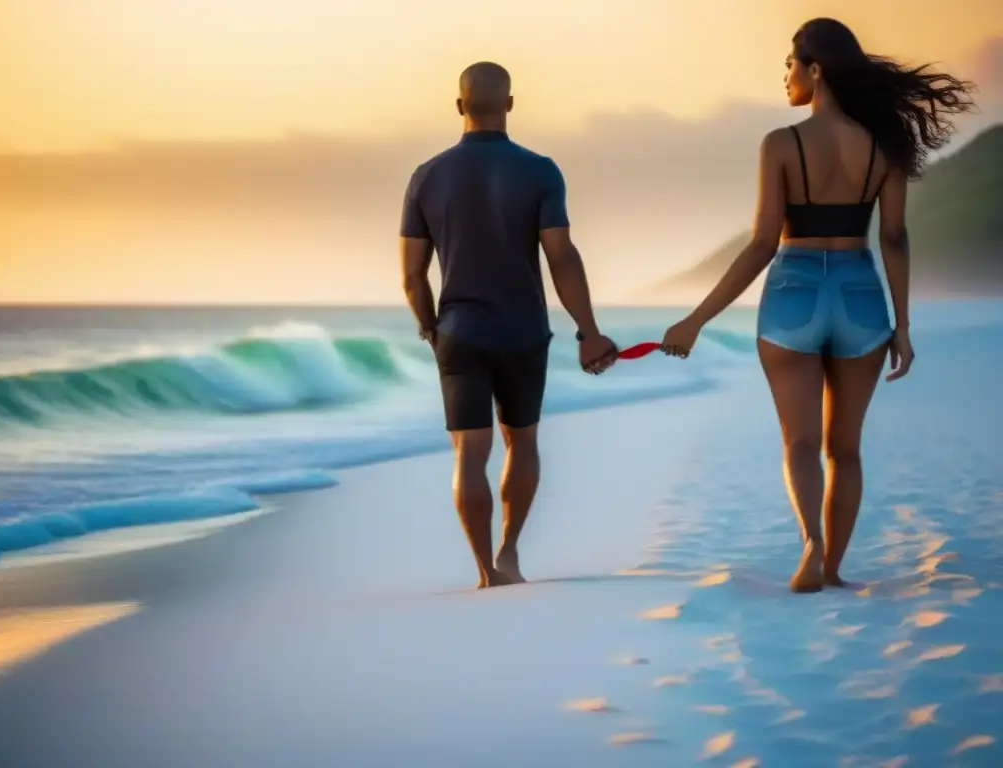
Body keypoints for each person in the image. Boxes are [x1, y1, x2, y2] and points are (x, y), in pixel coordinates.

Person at [659, 18, 975, 593]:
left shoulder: (781, 144)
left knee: (800, 443)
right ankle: (833, 570)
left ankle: (810, 543)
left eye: (790, 64)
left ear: (815, 70)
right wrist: (902, 326)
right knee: (845, 449)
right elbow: (895, 239)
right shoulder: (887, 146)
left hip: (794, 289)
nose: (786, 76)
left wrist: (695, 320)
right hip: (860, 293)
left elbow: (760, 245)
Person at [399, 62, 618, 589]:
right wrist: (588, 331)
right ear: (511, 104)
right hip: (523, 331)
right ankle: (510, 553)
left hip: (460, 331)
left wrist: (431, 331)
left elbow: (412, 275)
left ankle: (484, 572)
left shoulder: (426, 176)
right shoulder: (540, 170)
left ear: (459, 106)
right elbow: (561, 257)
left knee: (469, 454)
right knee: (521, 443)